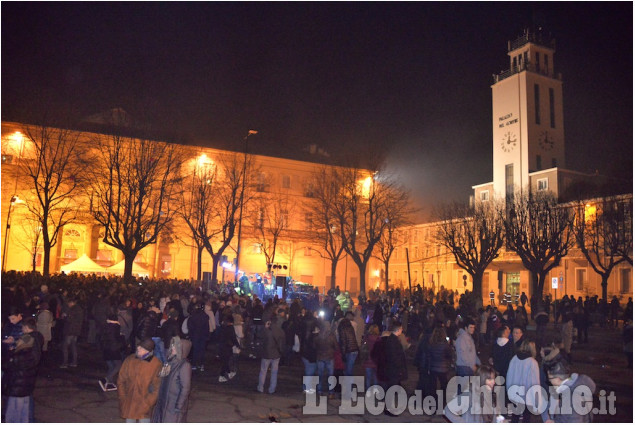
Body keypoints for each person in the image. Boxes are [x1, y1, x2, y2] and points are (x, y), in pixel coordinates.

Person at [117, 338, 163, 423]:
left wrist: (148, 402)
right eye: (139, 347)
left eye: (141, 348)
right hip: (129, 403)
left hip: (144, 405)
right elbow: (121, 380)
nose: (138, 349)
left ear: (148, 351)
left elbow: (158, 386)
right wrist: (123, 396)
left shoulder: (156, 364)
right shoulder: (129, 360)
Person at [506, 339, 547, 422]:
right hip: (527, 396)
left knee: (515, 417)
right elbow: (534, 382)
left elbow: (509, 376)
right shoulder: (532, 362)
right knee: (526, 418)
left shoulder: (514, 358)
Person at [152, 337, 192, 423]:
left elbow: (185, 388)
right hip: (163, 402)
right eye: (173, 345)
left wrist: (179, 406)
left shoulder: (184, 365)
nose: (173, 348)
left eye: (176, 346)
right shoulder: (170, 361)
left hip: (173, 405)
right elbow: (162, 378)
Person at [4, 334, 40, 423]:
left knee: (14, 414)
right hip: (26, 389)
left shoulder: (18, 356)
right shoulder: (32, 355)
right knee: (24, 413)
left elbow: (7, 366)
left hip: (16, 389)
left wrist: (10, 353)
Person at [257, 317, 285, 394]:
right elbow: (282, 342)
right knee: (274, 372)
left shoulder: (267, 331)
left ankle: (260, 387)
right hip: (276, 354)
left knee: (263, 370)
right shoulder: (280, 331)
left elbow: (259, 336)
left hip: (266, 354)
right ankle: (272, 389)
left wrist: (265, 328)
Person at [99, 313, 125, 391]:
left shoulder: (105, 326)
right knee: (118, 365)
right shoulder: (116, 327)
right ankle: (105, 379)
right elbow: (116, 339)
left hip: (105, 349)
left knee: (111, 366)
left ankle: (109, 383)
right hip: (113, 349)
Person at [61, 298, 84, 368]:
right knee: (73, 346)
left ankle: (65, 363)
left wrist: (65, 316)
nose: (68, 304)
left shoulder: (72, 310)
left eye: (68, 303)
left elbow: (69, 319)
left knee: (65, 347)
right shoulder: (80, 309)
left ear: (71, 302)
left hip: (70, 330)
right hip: (76, 331)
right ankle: (74, 362)